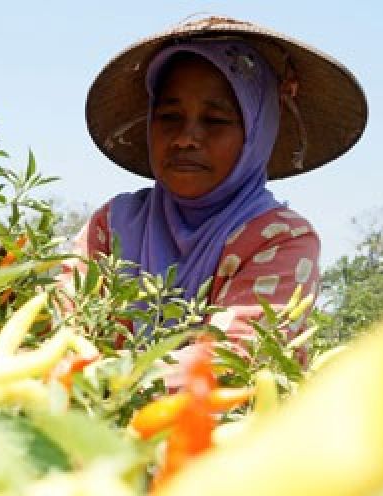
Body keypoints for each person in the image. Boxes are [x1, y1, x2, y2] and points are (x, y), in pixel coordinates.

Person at [59, 16, 367, 385]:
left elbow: (231, 361)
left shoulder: (281, 239)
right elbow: (64, 329)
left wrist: (106, 377)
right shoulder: (111, 226)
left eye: (215, 120)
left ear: (255, 132)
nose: (186, 138)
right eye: (170, 116)